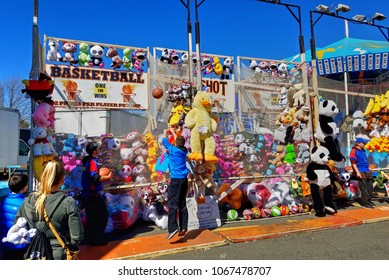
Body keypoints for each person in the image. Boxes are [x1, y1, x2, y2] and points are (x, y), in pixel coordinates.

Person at [15, 162, 83, 260]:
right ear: (62, 180)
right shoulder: (68, 202)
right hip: (59, 254)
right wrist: (69, 246)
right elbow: (77, 236)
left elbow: (18, 227)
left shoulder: (28, 201)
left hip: (34, 254)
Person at [80, 141, 112, 245]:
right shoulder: (93, 162)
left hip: (87, 194)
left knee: (91, 218)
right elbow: (94, 177)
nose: (99, 150)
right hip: (92, 194)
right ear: (94, 151)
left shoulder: (86, 161)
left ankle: (91, 238)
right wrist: (107, 177)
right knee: (101, 216)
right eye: (97, 148)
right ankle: (97, 239)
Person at [162, 128, 189, 240]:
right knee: (182, 202)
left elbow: (164, 140)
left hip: (176, 180)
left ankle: (173, 228)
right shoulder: (184, 150)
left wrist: (165, 132)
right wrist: (173, 132)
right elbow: (177, 142)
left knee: (173, 203)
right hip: (184, 179)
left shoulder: (172, 149)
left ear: (176, 143)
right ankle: (183, 227)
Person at [0, 174, 29, 259]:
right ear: (24, 188)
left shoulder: (3, 201)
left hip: (4, 241)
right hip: (19, 244)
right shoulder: (24, 203)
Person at [350, 135, 375, 208]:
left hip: (366, 170)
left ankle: (369, 200)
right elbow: (353, 163)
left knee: (370, 186)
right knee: (363, 187)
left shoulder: (363, 151)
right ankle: (365, 202)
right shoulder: (354, 151)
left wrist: (369, 168)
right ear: (358, 143)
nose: (364, 144)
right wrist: (357, 172)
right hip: (360, 170)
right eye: (363, 143)